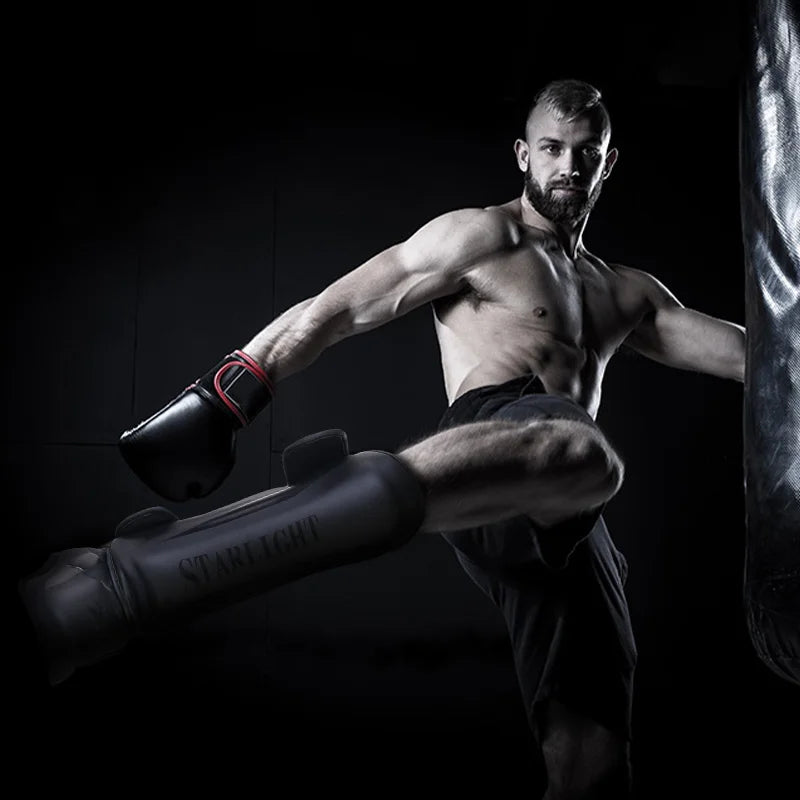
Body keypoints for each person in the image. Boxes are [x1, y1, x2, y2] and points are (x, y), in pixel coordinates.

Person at [22, 79, 746, 799]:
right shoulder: (483, 238)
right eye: (552, 148)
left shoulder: (628, 293)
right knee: (583, 449)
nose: (568, 167)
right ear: (523, 152)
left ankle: (360, 499)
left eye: (587, 152)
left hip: (569, 517)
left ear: (608, 162)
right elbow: (339, 308)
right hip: (496, 434)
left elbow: (759, 357)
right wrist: (228, 393)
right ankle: (119, 583)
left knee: (594, 760)